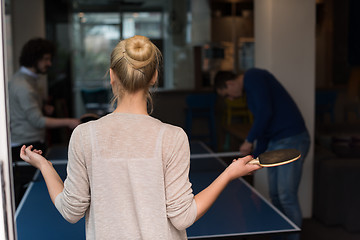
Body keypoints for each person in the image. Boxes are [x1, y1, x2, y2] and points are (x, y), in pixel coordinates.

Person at [19, 35, 262, 240]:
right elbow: (183, 217)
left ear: (112, 75)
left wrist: (44, 165)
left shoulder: (84, 135)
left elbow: (71, 211)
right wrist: (229, 173)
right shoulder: (173, 137)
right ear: (154, 76)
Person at [214, 68, 310, 240]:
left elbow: (266, 112)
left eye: (227, 94)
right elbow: (264, 130)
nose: (231, 98)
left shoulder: (253, 76)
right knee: (275, 196)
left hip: (292, 139)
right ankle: (282, 236)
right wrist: (253, 160)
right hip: (275, 142)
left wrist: (249, 140)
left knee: (286, 196)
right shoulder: (249, 95)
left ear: (230, 83)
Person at [8, 37, 80, 206]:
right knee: (33, 200)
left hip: (31, 141)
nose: (49, 63)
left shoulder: (29, 80)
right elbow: (38, 121)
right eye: (46, 59)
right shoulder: (23, 86)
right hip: (24, 147)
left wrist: (42, 106)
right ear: (35, 58)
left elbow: (28, 110)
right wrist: (69, 121)